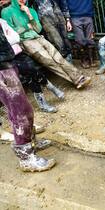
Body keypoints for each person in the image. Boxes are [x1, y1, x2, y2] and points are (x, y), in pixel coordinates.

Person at [0, 26, 56, 172]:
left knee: (24, 110)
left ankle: (31, 143)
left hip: (7, 63)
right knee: (20, 113)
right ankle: (26, 158)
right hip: (1, 69)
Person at [1, 0, 91, 89]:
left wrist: (29, 14)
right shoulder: (7, 11)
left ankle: (79, 77)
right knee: (50, 62)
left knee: (58, 57)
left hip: (38, 37)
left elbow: (38, 28)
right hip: (26, 41)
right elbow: (10, 31)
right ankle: (76, 80)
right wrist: (27, 27)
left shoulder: (31, 10)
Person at [0, 18, 64, 113]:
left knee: (32, 73)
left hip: (17, 53)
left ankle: (44, 101)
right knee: (31, 72)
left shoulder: (2, 21)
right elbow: (9, 41)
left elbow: (16, 37)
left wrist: (9, 39)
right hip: (5, 60)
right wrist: (9, 38)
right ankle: (50, 89)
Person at [66, 0, 96, 68]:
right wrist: (68, 19)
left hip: (88, 14)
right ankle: (84, 60)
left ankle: (91, 60)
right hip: (74, 16)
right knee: (80, 40)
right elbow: (64, 4)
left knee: (90, 38)